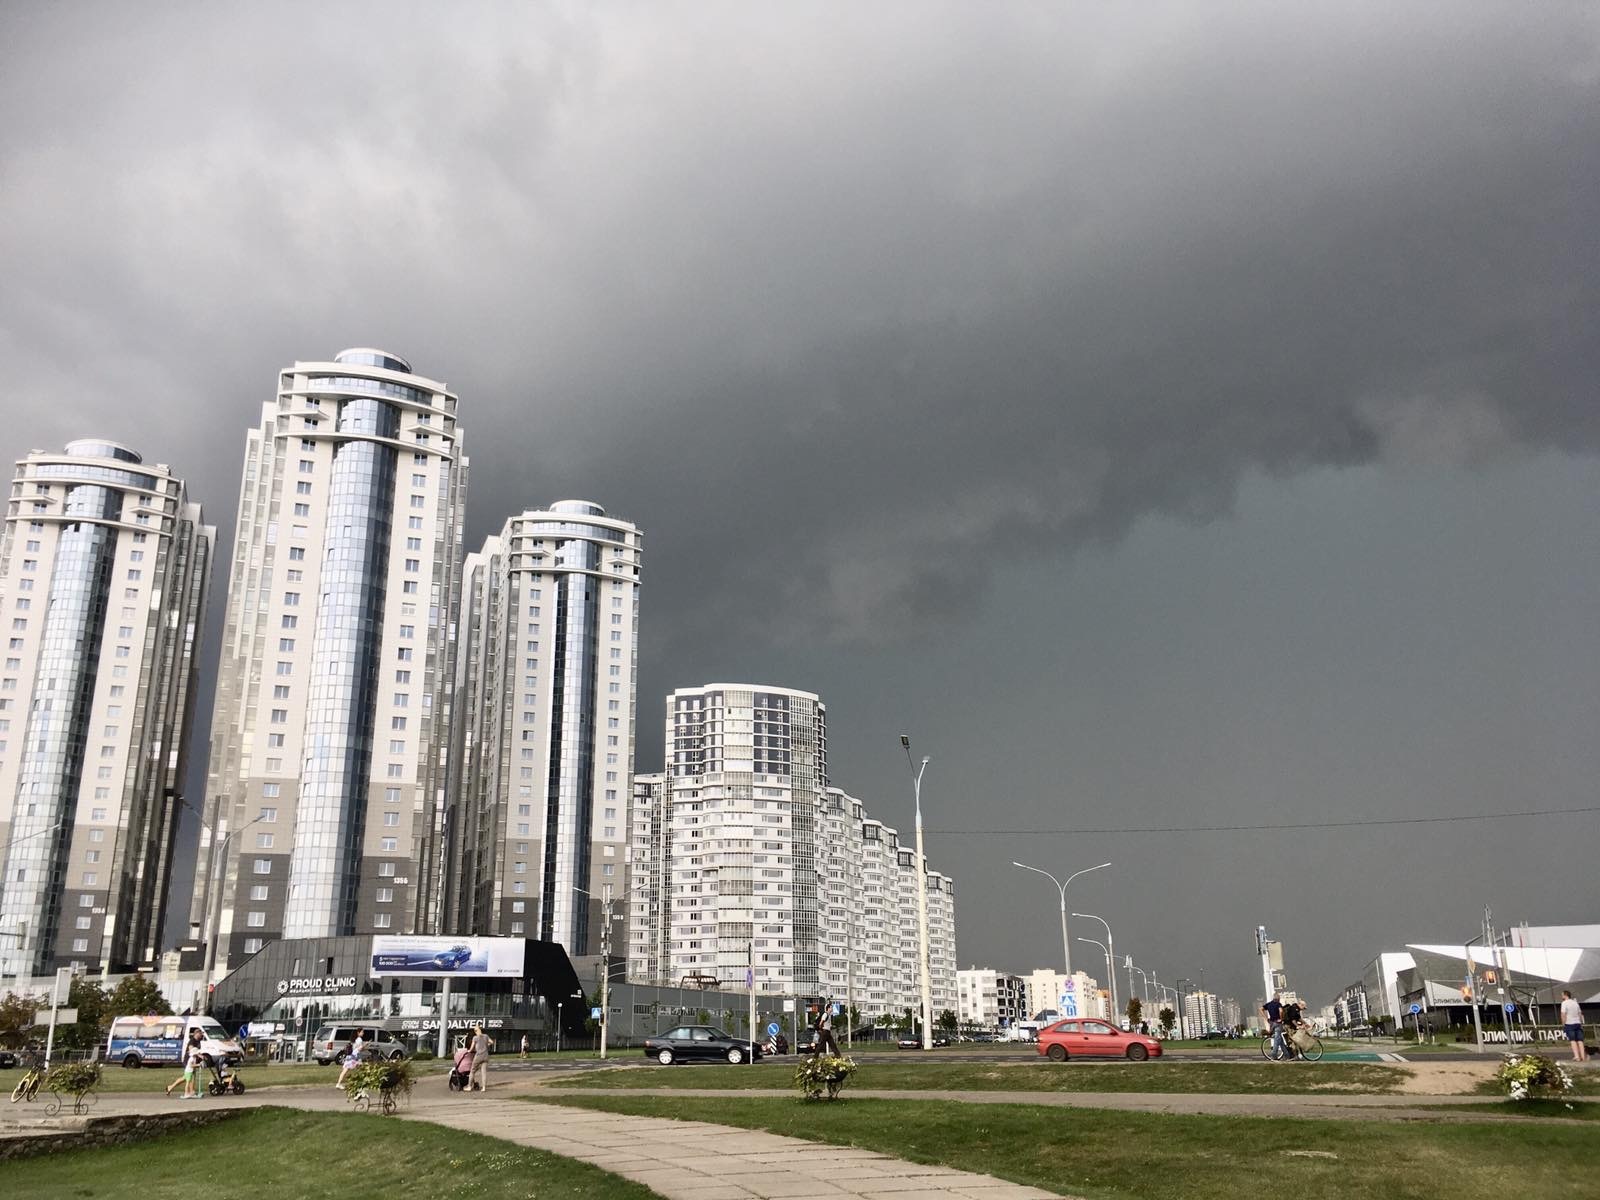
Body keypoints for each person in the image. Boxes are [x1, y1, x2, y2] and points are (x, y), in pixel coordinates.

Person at [168, 1026, 205, 1097]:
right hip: (188, 1060)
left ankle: (171, 1087)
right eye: (200, 1033)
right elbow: (191, 1049)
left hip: (193, 1060)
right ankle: (191, 1092)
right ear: (196, 1033)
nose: (201, 1035)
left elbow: (197, 1051)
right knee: (190, 1076)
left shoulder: (198, 1041)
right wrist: (199, 1056)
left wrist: (200, 1056)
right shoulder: (192, 1040)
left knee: (186, 1077)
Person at [1560, 990, 1588, 1062]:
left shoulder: (1564, 1003)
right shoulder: (1575, 1003)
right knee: (1580, 1040)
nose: (1561, 996)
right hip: (1577, 1023)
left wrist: (1563, 1023)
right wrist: (1581, 1023)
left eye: (1562, 995)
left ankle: (1577, 1057)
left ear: (1565, 995)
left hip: (1569, 1023)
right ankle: (1583, 1057)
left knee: (1573, 1040)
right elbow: (1580, 1013)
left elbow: (1563, 1014)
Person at [1260, 993, 1286, 1060]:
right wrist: (1281, 1019)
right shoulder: (1278, 1004)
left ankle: (1287, 1055)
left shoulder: (1269, 1004)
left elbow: (1260, 1009)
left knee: (1280, 1039)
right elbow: (1281, 1011)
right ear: (1278, 999)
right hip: (1277, 1023)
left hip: (1271, 1023)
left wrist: (1265, 1018)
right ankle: (1274, 1055)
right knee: (1277, 1040)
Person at [469, 1024, 493, 1092]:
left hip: (478, 1055)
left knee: (472, 1071)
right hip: (485, 1056)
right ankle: (484, 1088)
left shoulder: (475, 1038)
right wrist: (486, 1045)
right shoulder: (486, 1036)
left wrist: (469, 1051)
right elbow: (491, 1042)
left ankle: (469, 1086)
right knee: (483, 1072)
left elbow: (471, 1048)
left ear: (475, 1031)